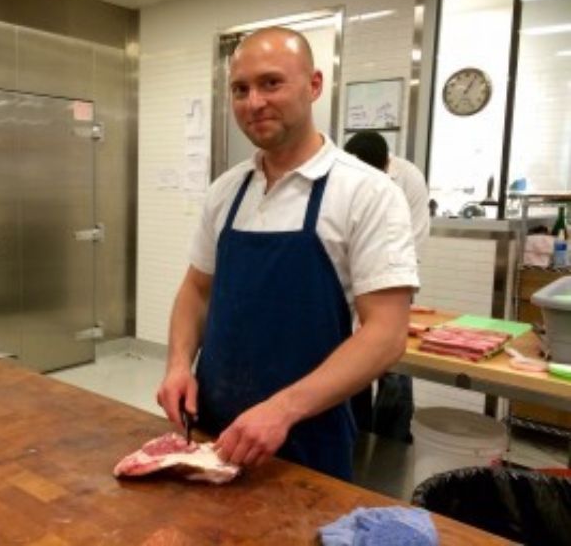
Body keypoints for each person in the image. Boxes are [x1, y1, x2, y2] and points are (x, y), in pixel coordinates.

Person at [156, 27, 419, 481]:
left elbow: (387, 334)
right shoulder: (226, 190)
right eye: (241, 89)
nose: (254, 102)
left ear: (314, 85)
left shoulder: (366, 192)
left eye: (270, 83)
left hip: (308, 437)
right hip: (214, 430)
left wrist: (282, 410)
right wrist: (179, 365)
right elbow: (196, 291)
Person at [343, 131, 430, 442]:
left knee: (394, 367)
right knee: (353, 364)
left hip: (394, 276)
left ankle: (393, 444)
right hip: (352, 281)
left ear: (385, 165)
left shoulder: (409, 179)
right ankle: (358, 437)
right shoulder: (344, 178)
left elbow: (413, 241)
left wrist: (386, 287)